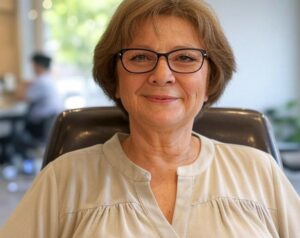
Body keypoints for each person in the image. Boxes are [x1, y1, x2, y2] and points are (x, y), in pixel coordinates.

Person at [1, 0, 299, 237]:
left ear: (210, 81)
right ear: (114, 79)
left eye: (184, 58)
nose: (162, 75)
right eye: (140, 57)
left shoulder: (260, 172)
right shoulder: (62, 180)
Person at [12, 53, 63, 173]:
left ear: (37, 66)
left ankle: (26, 168)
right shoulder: (49, 80)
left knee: (14, 137)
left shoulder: (41, 82)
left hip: (40, 126)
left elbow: (20, 97)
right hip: (49, 123)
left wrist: (23, 84)